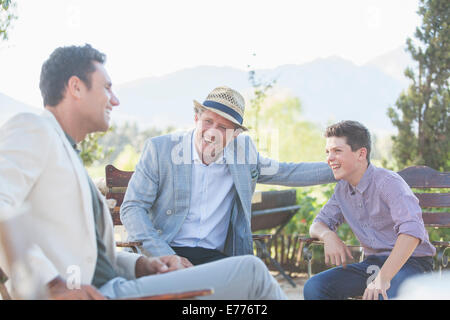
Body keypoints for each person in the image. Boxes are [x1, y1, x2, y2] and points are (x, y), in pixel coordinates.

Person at [0, 44, 286, 300]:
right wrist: (53, 284)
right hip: (98, 293)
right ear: (75, 87)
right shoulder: (32, 128)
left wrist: (143, 265)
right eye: (107, 88)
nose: (115, 100)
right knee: (251, 273)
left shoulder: (66, 153)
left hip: (111, 285)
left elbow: (93, 258)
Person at [120, 86, 335, 265]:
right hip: (166, 250)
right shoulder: (161, 150)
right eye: (207, 122)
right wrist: (165, 255)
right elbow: (132, 208)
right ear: (196, 118)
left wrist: (341, 169)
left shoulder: (243, 154)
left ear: (235, 134)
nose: (212, 132)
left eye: (222, 127)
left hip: (217, 258)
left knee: (258, 282)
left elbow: (288, 172)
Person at [303, 120, 436, 300]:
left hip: (413, 264)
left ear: (361, 154)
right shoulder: (342, 189)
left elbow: (412, 232)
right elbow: (317, 224)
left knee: (382, 294)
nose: (329, 158)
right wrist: (328, 236)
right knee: (315, 287)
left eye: (337, 151)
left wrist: (383, 278)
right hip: (372, 265)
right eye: (327, 152)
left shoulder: (388, 183)